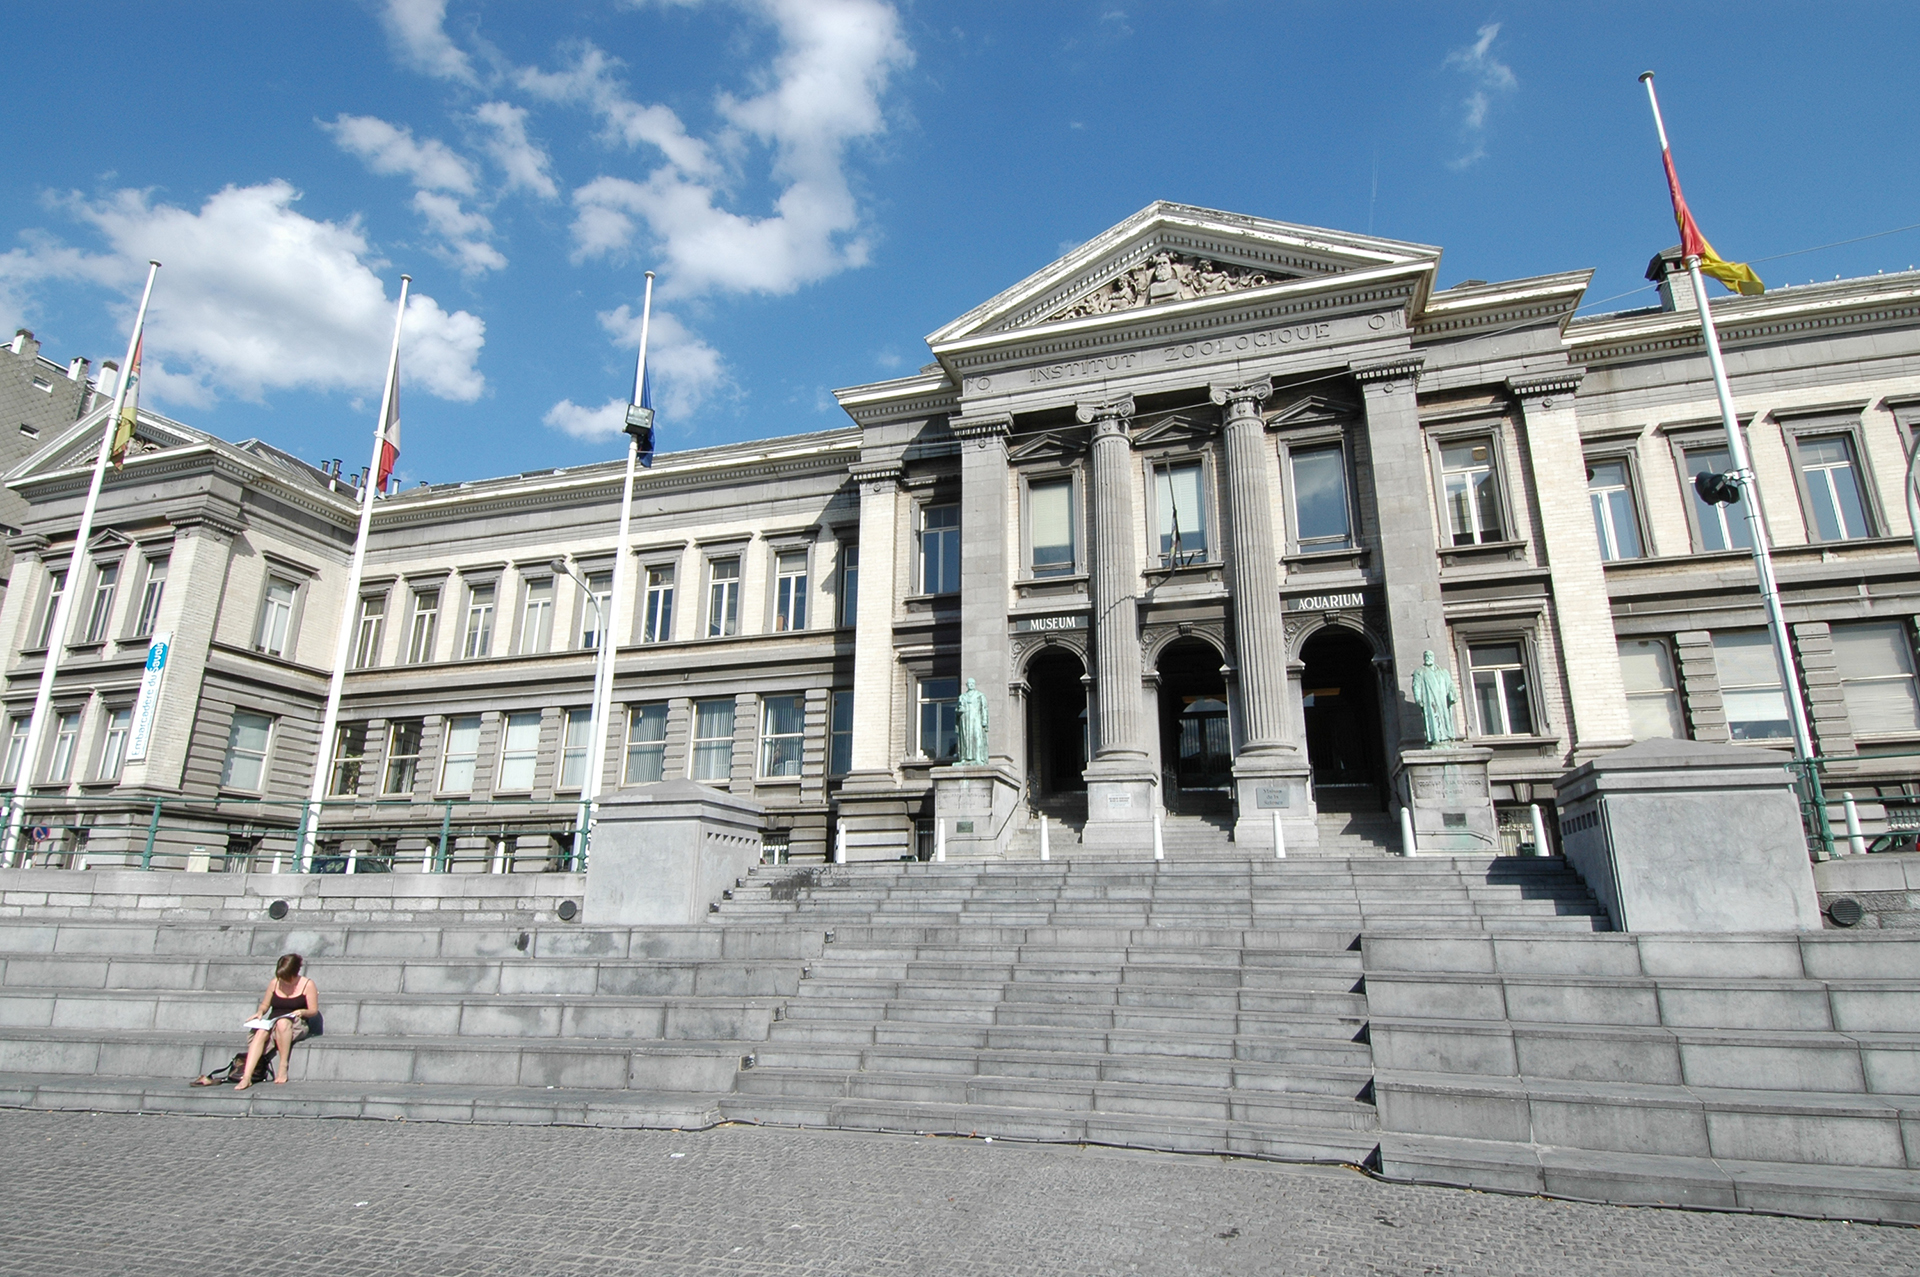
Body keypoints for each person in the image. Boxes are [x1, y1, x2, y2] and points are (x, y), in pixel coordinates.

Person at [234, 953, 318, 1090]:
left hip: (295, 1022)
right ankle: (247, 1077)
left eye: (286, 977)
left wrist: (302, 1012)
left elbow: (313, 1010)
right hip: (273, 1020)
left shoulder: (307, 984)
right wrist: (260, 1012)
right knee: (261, 1032)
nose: (283, 980)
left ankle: (283, 1066)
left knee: (283, 1023)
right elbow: (265, 1005)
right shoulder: (275, 983)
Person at [1410, 649, 1458, 747]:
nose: (1428, 658)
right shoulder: (1420, 671)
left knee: (1445, 717)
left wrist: (1453, 695)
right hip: (1430, 700)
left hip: (1442, 700)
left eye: (1430, 656)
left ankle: (1446, 737)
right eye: (1426, 656)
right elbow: (1416, 686)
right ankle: (1435, 738)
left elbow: (1450, 684)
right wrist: (1418, 698)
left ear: (1433, 657)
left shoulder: (1443, 671)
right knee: (1432, 717)